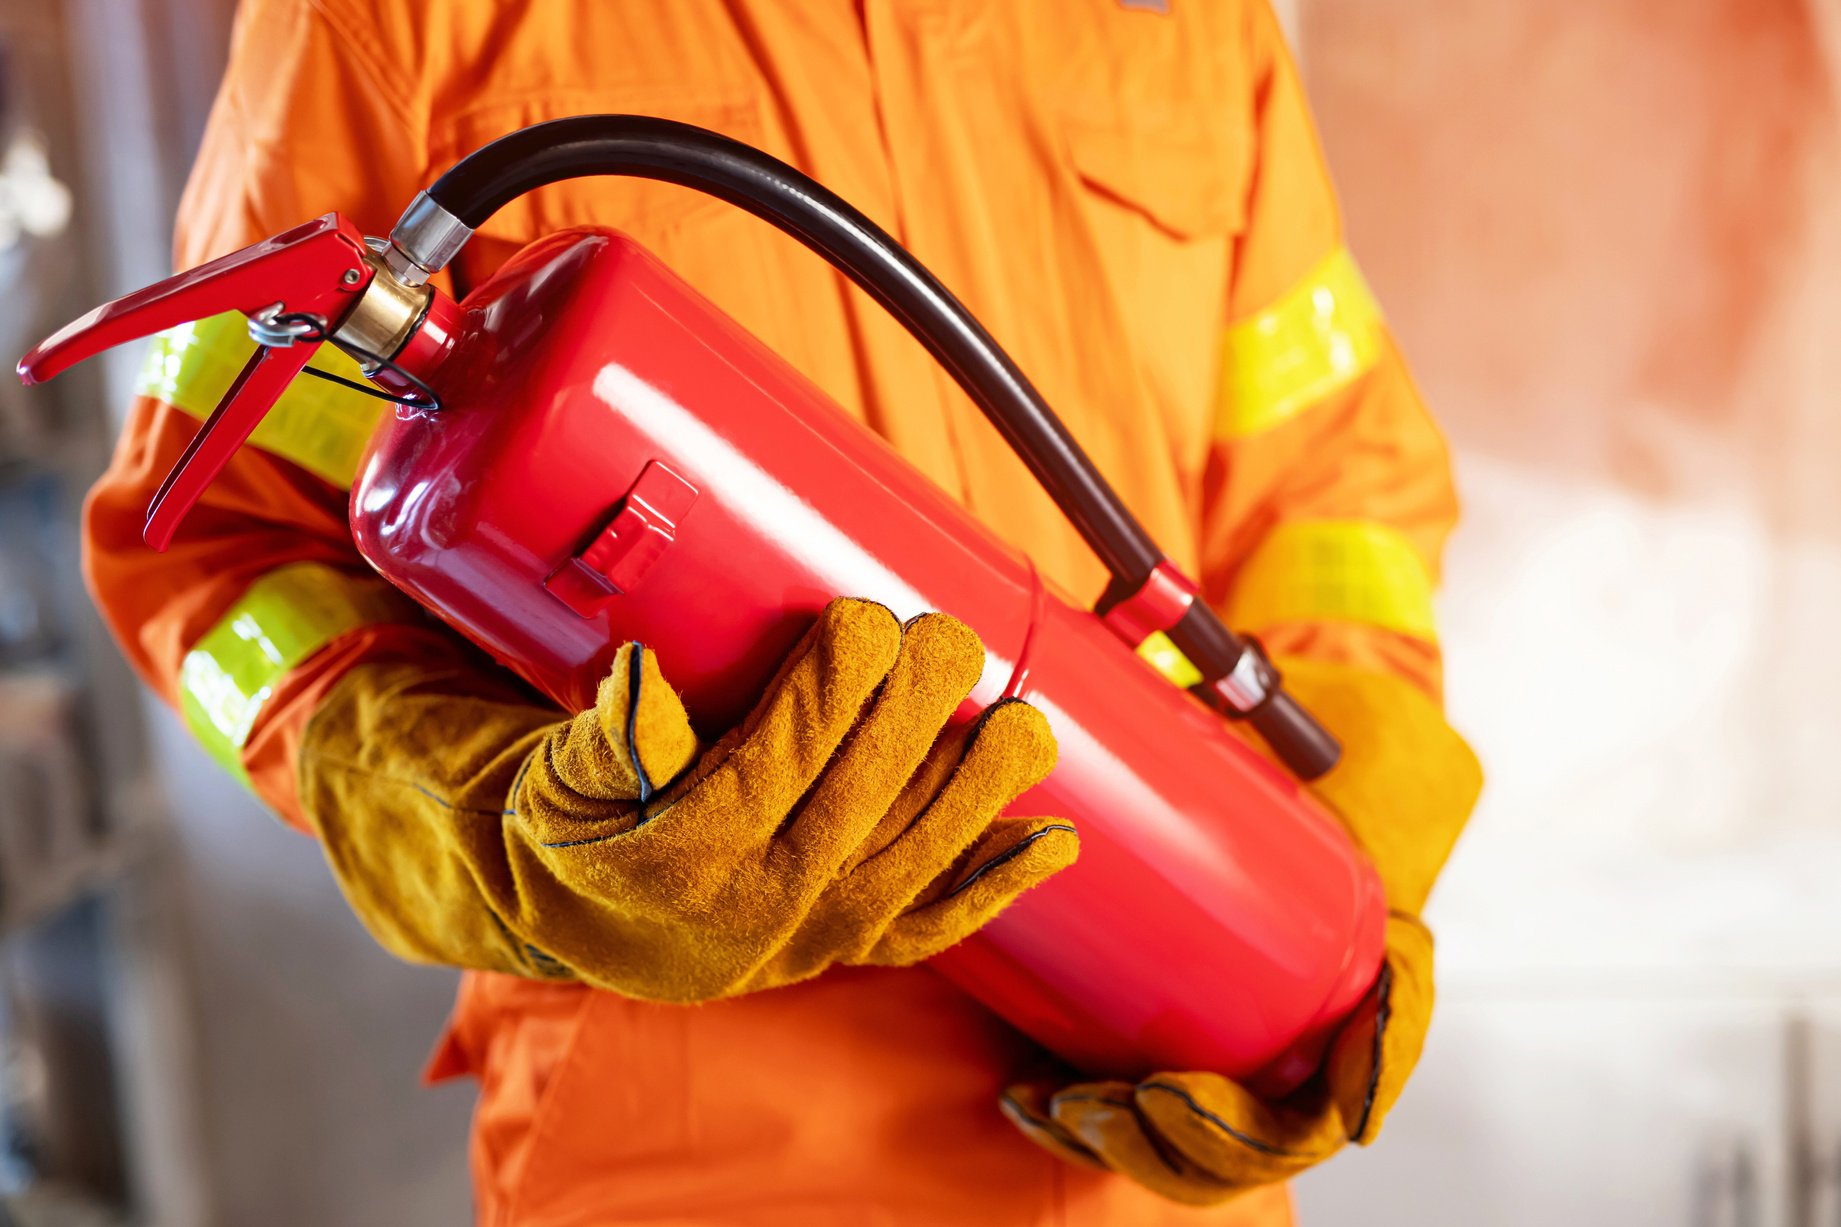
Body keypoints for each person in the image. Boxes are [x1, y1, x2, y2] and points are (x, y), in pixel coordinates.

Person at [83, 1, 1481, 1222]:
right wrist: (512, 831)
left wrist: (1329, 876)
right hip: (698, 1165)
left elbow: (1331, 491)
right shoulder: (390, 16)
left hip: (1156, 1101)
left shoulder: (1176, 16)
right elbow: (213, 560)